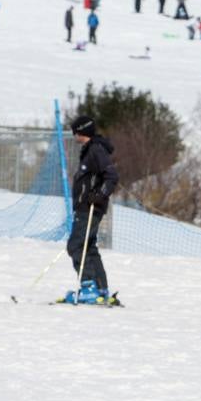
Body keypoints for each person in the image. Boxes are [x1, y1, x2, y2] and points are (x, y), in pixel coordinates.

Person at [67, 115, 119, 300]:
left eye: (75, 131)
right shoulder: (91, 149)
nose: (74, 136)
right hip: (86, 207)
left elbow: (111, 176)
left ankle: (89, 287)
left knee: (76, 245)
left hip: (89, 208)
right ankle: (100, 289)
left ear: (81, 131)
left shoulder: (96, 150)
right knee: (88, 246)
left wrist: (99, 195)